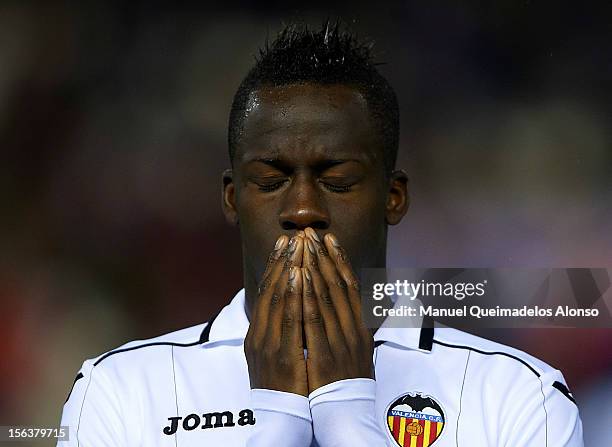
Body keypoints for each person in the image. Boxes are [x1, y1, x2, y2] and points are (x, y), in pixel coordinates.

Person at [58, 21, 583, 446]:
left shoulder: (517, 396)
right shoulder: (121, 392)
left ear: (393, 197)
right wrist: (277, 422)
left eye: (337, 181)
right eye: (270, 180)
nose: (303, 208)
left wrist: (349, 412)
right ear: (231, 197)